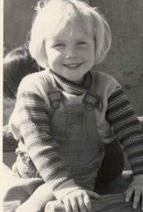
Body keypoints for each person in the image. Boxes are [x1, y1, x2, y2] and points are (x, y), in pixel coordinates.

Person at [2, 0, 143, 212]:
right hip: (35, 176)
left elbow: (131, 131)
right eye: (59, 45)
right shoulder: (34, 86)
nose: (71, 54)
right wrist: (64, 187)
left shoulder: (106, 87)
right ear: (43, 50)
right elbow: (39, 142)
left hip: (80, 180)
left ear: (97, 46)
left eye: (81, 44)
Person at [2, 46, 124, 190]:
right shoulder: (86, 90)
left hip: (56, 174)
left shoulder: (29, 100)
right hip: (109, 165)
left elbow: (17, 131)